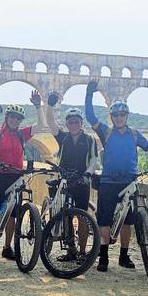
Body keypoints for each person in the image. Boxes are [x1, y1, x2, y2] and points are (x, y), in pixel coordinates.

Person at [84, 79, 148, 272]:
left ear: (127, 115)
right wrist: (89, 95)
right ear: (112, 116)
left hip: (129, 181)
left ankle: (123, 255)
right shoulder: (106, 131)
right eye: (116, 115)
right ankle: (103, 255)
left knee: (128, 221)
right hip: (108, 181)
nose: (119, 117)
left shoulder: (135, 134)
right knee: (104, 219)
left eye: (122, 114)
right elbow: (90, 116)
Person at [0, 92, 47, 260]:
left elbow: (42, 125)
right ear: (7, 117)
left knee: (12, 214)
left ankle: (7, 248)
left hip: (16, 177)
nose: (15, 120)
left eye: (18, 118)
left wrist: (38, 106)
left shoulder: (22, 134)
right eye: (13, 117)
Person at [41, 91, 98, 261]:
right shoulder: (63, 137)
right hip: (64, 178)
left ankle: (82, 251)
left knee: (82, 216)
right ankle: (70, 249)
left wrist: (88, 174)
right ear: (67, 123)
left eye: (76, 121)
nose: (73, 124)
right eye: (70, 121)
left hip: (82, 179)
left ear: (81, 123)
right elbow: (50, 122)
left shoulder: (89, 140)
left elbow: (94, 159)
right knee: (66, 214)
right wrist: (49, 105)